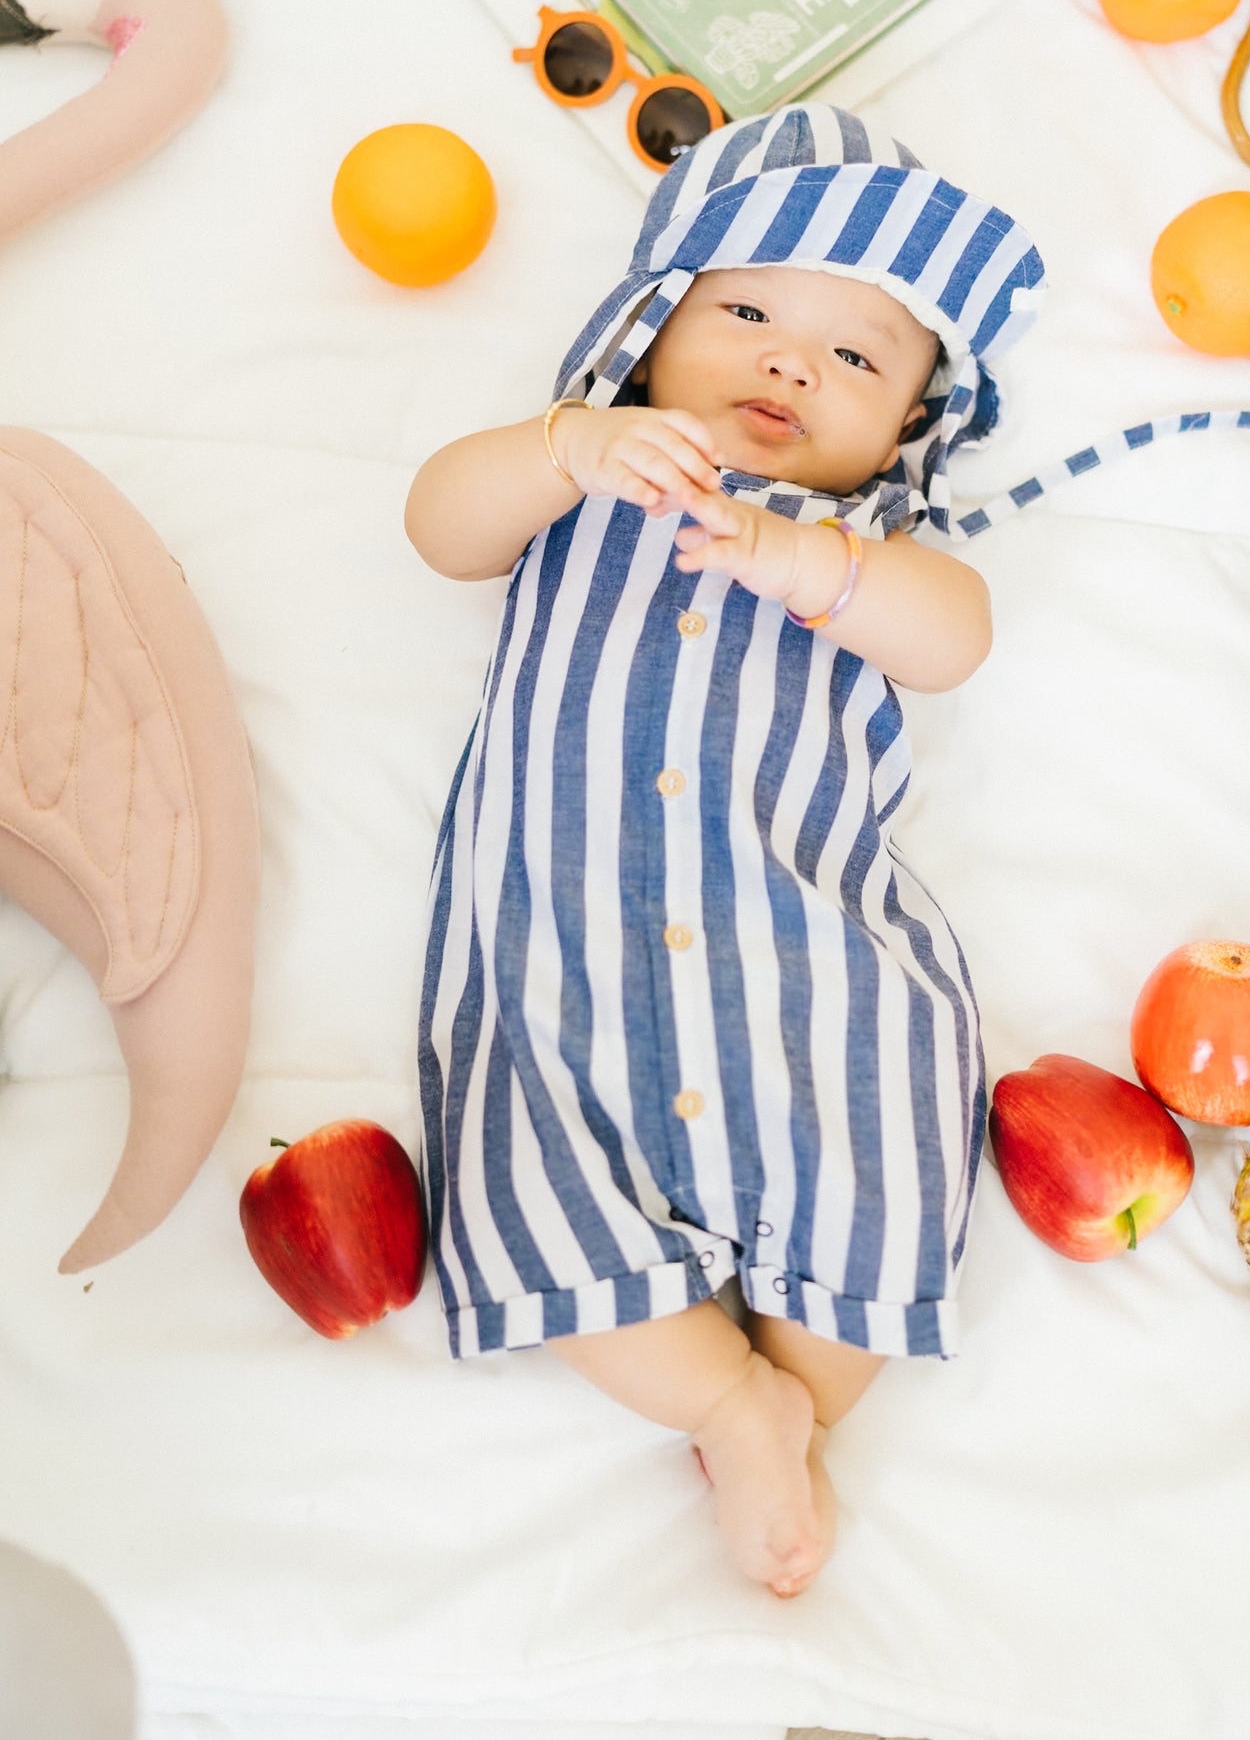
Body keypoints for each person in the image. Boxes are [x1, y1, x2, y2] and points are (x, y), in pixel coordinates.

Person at [405, 102, 1045, 1599]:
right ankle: (725, 1401)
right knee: (519, 1189)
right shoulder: (583, 473)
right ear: (645, 330)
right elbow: (440, 526)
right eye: (747, 310)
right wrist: (571, 445)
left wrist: (812, 564)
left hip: (805, 956)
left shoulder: (868, 555)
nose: (788, 362)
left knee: (893, 1114)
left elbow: (955, 641)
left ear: (905, 432)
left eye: (857, 358)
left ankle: (799, 1393)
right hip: (551, 960)